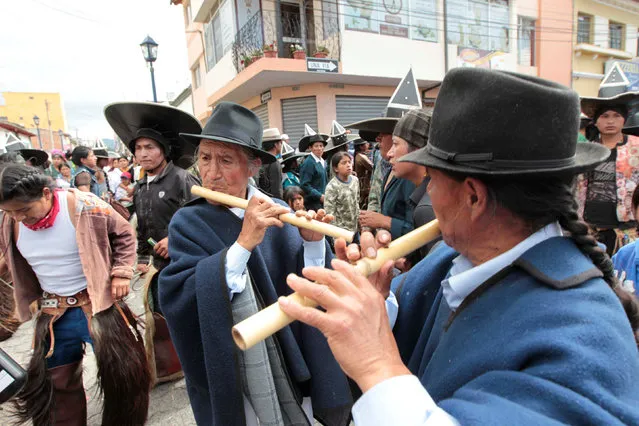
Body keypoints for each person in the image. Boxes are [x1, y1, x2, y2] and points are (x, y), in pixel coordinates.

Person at [278, 68, 639, 425]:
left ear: (473, 198)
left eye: (432, 178)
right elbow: (412, 342)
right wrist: (377, 302)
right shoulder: (452, 259)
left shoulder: (586, 337)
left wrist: (376, 366)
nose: (427, 192)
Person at [159, 102, 352, 426]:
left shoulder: (277, 209)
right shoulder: (186, 222)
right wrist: (243, 244)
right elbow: (179, 296)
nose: (212, 172)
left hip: (289, 360)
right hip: (233, 368)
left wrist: (312, 242)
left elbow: (309, 284)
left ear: (252, 167)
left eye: (226, 160)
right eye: (205, 158)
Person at [0, 162, 150, 425]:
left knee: (124, 378)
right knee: (56, 385)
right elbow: (8, 254)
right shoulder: (9, 220)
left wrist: (121, 272)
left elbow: (124, 233)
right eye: (10, 212)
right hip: (53, 313)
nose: (19, 218)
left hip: (97, 307)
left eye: (24, 210)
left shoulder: (83, 205)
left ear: (46, 193)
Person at [104, 101, 201, 385]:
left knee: (187, 314)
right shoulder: (142, 187)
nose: (142, 154)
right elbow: (143, 229)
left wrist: (176, 239)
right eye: (138, 148)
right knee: (161, 314)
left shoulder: (183, 179)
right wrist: (144, 261)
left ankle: (197, 363)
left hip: (187, 262)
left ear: (164, 151)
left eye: (150, 147)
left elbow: (203, 216)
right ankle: (173, 365)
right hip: (159, 267)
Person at [578, 89, 639, 255]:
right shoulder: (585, 150)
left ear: (624, 119)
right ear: (595, 121)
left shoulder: (636, 147)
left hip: (626, 229)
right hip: (590, 227)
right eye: (604, 116)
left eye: (616, 116)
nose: (610, 121)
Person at [389, 108, 439, 260]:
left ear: (417, 150)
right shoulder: (427, 195)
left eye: (395, 144)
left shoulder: (429, 209)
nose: (389, 153)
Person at [324, 152, 359, 234]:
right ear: (336, 168)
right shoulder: (332, 187)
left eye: (349, 162)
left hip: (355, 228)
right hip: (341, 231)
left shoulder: (355, 180)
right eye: (343, 163)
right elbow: (330, 213)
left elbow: (356, 202)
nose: (348, 165)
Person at [299, 124, 330, 211]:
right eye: (316, 146)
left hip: (322, 201)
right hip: (313, 203)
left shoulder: (323, 162)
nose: (319, 148)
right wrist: (319, 196)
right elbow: (304, 184)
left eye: (321, 146)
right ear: (310, 148)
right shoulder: (309, 163)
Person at [257, 128, 284, 198]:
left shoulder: (259, 160)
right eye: (280, 143)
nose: (281, 146)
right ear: (276, 145)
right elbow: (276, 189)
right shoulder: (274, 162)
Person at [353, 137, 373, 209]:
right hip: (364, 185)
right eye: (366, 144)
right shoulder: (361, 157)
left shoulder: (358, 155)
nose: (368, 144)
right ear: (361, 147)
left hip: (361, 185)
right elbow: (372, 167)